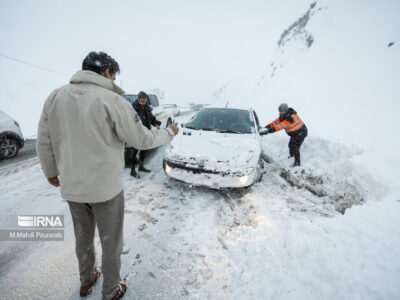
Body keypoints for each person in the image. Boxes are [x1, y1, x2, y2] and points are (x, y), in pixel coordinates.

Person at [36, 51, 179, 300]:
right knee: (111, 242)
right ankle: (111, 291)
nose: (114, 79)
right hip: (106, 190)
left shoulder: (55, 97)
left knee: (83, 238)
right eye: (114, 74)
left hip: (73, 187)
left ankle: (87, 278)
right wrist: (169, 133)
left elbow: (44, 141)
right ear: (106, 72)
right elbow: (142, 139)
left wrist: (50, 172)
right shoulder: (112, 101)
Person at [130, 91, 161, 178]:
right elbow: (132, 120)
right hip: (136, 132)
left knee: (144, 149)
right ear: (138, 99)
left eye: (144, 100)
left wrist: (156, 123)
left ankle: (141, 166)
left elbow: (151, 118)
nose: (142, 102)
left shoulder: (147, 108)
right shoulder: (133, 108)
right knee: (134, 151)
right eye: (141, 100)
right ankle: (132, 170)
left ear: (146, 100)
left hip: (145, 132)